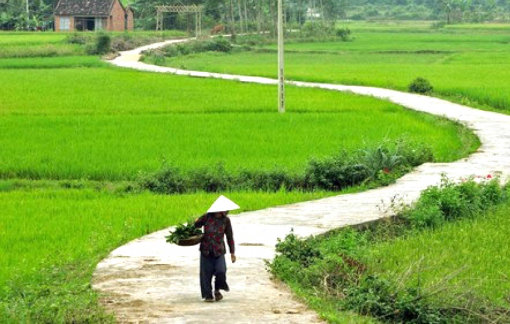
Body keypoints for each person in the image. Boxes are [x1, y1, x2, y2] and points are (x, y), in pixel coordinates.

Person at [194, 195, 239, 302]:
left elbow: (229, 236)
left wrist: (232, 252)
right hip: (206, 250)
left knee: (221, 271)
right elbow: (196, 225)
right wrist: (195, 222)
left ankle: (217, 290)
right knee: (206, 274)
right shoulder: (207, 217)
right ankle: (208, 295)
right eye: (225, 209)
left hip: (219, 250)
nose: (227, 211)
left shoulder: (226, 221)